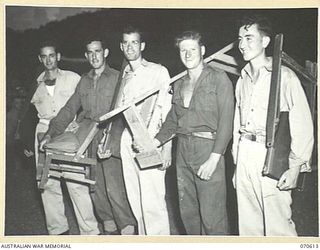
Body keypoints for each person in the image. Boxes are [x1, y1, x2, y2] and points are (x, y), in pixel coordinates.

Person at [39, 38, 136, 235]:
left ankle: (127, 229)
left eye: (97, 51)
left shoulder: (119, 77)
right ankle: (108, 226)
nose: (94, 56)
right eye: (90, 52)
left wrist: (114, 138)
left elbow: (125, 112)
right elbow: (69, 109)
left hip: (112, 133)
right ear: (86, 56)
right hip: (88, 135)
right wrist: (50, 134)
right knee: (94, 185)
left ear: (105, 52)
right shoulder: (83, 80)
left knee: (114, 187)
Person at [232, 14, 314, 236]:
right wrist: (237, 163)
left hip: (271, 154)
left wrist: (296, 165)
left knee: (278, 226)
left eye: (249, 38)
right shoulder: (242, 80)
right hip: (245, 154)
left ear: (265, 42)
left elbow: (302, 123)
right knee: (248, 227)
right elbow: (237, 124)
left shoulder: (284, 76)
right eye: (240, 38)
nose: (241, 45)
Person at [153, 31, 234, 235]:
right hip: (182, 151)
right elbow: (172, 121)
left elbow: (227, 120)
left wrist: (215, 158)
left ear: (202, 51)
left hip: (208, 149)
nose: (188, 54)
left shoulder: (218, 78)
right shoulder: (179, 84)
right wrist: (154, 142)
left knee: (212, 216)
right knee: (188, 213)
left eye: (193, 49)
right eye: (183, 50)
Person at [31, 41, 99, 235]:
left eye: (52, 55)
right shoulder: (35, 83)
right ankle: (58, 232)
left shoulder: (73, 78)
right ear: (40, 59)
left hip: (68, 132)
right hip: (43, 131)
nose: (48, 60)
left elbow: (85, 103)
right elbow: (26, 114)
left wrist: (80, 121)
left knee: (76, 181)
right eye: (44, 56)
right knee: (47, 183)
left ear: (58, 56)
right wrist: (26, 141)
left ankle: (90, 231)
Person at [115, 26, 172, 235]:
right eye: (126, 43)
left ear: (143, 45)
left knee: (153, 199)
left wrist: (167, 148)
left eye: (135, 42)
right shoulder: (124, 75)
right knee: (135, 196)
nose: (130, 47)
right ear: (121, 46)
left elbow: (167, 112)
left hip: (151, 139)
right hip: (128, 139)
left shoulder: (158, 71)